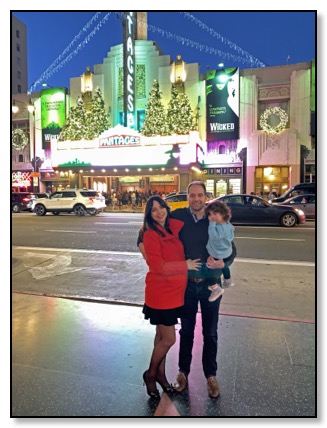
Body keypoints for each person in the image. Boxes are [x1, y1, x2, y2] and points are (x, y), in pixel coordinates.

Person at [138, 181, 236, 399]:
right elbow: (149, 227)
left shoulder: (214, 216)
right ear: (188, 197)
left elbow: (231, 247)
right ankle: (183, 372)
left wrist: (225, 263)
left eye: (200, 195)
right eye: (192, 195)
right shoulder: (179, 216)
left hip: (211, 285)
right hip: (186, 286)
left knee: (210, 332)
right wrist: (142, 247)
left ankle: (211, 375)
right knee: (187, 332)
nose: (196, 199)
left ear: (206, 196)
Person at [140, 195, 201, 400]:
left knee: (160, 337)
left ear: (167, 208)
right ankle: (150, 374)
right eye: (154, 210)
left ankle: (161, 376)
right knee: (169, 339)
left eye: (162, 207)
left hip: (175, 292)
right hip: (161, 293)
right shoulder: (151, 234)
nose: (159, 212)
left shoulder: (173, 227)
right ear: (149, 215)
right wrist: (186, 265)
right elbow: (158, 266)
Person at [204, 200, 235, 302]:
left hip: (217, 253)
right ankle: (228, 280)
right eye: (210, 215)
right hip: (226, 252)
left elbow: (214, 237)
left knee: (209, 268)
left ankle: (215, 288)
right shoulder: (227, 224)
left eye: (215, 214)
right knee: (224, 267)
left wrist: (211, 224)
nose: (212, 217)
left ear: (223, 213)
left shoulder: (219, 227)